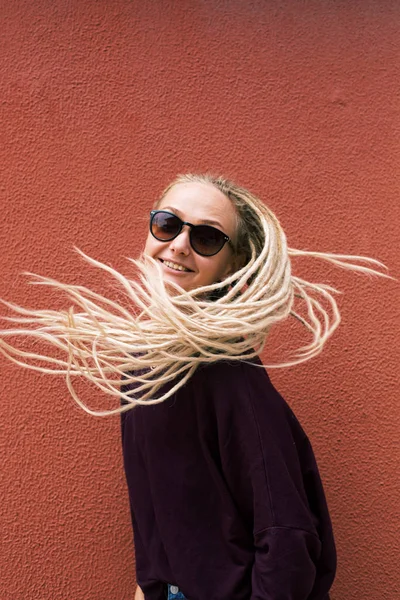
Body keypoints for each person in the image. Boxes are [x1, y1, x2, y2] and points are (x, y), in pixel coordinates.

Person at [0, 173, 389, 600]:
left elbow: (287, 536)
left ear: (233, 264)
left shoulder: (228, 373)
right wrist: (149, 586)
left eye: (206, 238)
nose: (180, 244)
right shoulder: (142, 361)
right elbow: (156, 506)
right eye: (168, 224)